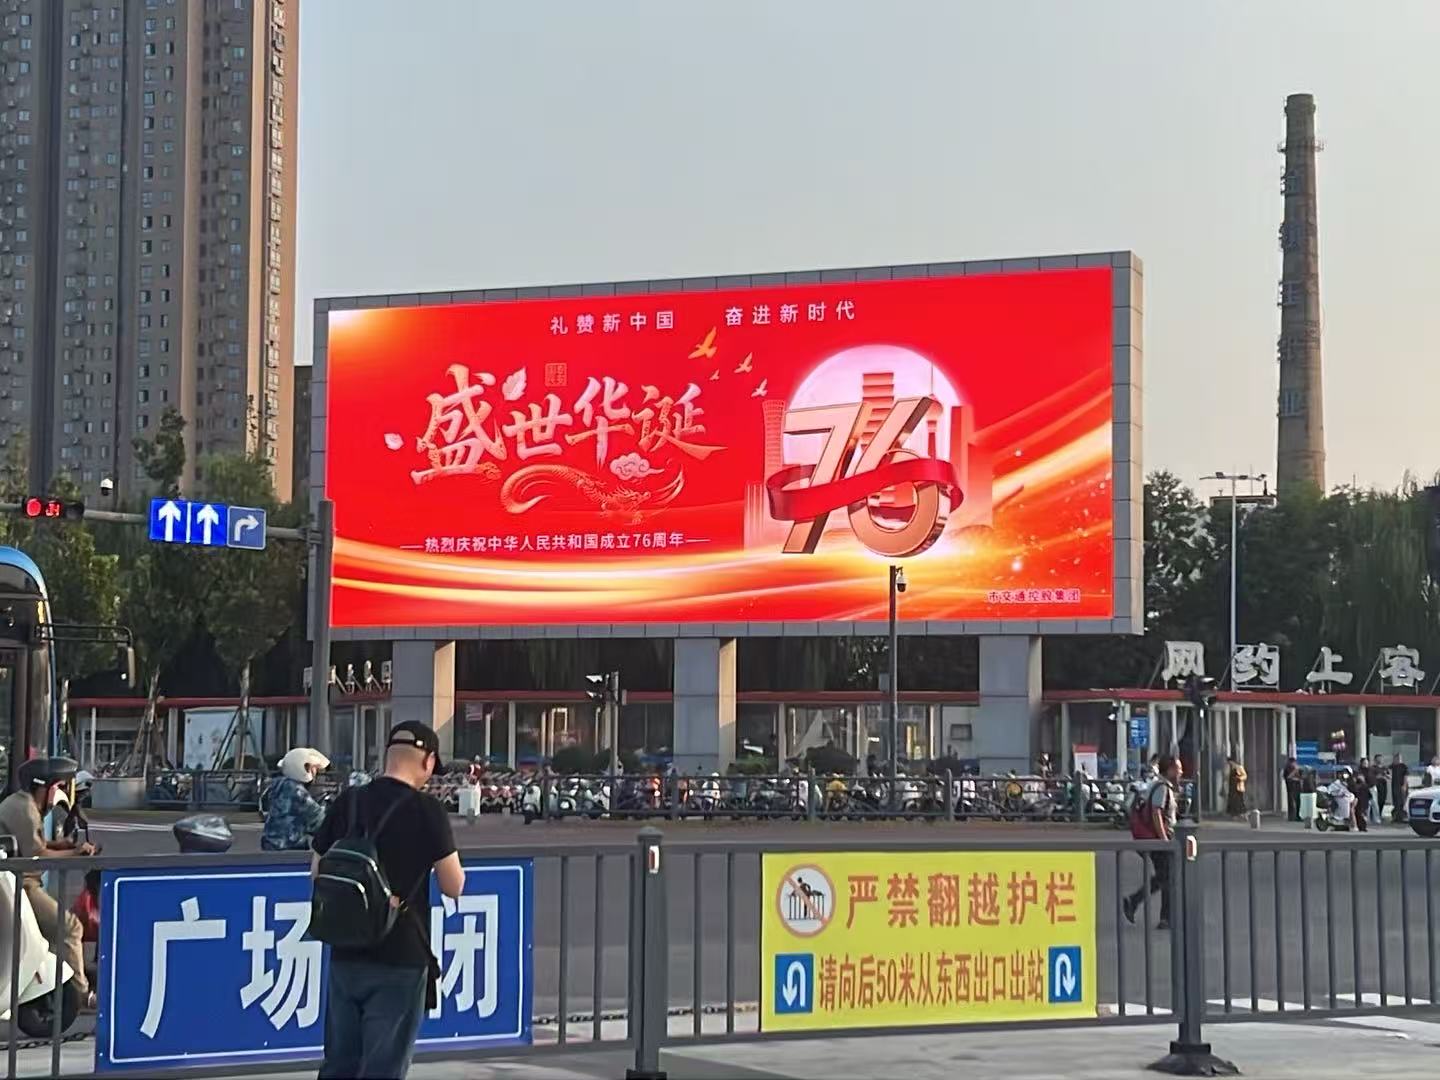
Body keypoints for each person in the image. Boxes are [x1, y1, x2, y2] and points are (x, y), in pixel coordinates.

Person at [313, 723, 463, 1079]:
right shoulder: (427, 810)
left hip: (345, 950)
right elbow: (453, 885)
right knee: (383, 1068)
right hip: (400, 954)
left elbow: (317, 871)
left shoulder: (349, 802)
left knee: (339, 1065)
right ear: (427, 761)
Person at [0, 756, 95, 1008]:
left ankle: (57, 988)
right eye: (59, 786)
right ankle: (81, 995)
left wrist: (61, 845)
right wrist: (75, 852)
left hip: (17, 881)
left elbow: (34, 844)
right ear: (44, 787)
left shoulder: (22, 803)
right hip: (19, 885)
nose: (61, 793)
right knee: (69, 927)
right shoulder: (25, 809)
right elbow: (37, 855)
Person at [1122, 755, 1181, 930]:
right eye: (1178, 768)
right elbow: (1156, 812)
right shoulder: (1161, 787)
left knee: (1165, 877)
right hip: (1157, 839)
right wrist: (1163, 840)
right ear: (1169, 770)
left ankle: (1139, 904)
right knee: (1167, 877)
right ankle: (1162, 916)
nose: (1181, 772)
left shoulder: (1159, 785)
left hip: (1156, 838)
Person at [262, 746, 330, 852]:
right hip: (290, 849)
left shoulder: (276, 785)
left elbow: (264, 807)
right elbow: (319, 823)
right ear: (304, 768)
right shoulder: (299, 793)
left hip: (269, 845)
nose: (315, 773)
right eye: (313, 768)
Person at [1348, 767, 1371, 832]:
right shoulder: (1364, 786)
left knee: (1359, 814)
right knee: (1361, 814)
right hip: (1364, 802)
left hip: (1359, 801)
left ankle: (1360, 826)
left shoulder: (1356, 786)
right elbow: (1369, 795)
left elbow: (1354, 791)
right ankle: (1362, 826)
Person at [1391, 755, 1410, 824]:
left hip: (1401, 786)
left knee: (1402, 801)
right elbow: (1387, 770)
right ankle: (1397, 817)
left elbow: (1406, 776)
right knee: (1396, 802)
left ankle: (1403, 817)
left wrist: (1404, 785)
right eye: (1395, 759)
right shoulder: (1393, 766)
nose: (1396, 760)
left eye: (1398, 759)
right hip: (1395, 786)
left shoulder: (1404, 766)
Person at [1372, 756, 1390, 823]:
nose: (1379, 760)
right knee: (1376, 801)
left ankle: (1380, 814)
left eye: (1380, 759)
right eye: (1378, 759)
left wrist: (1385, 775)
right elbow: (1371, 776)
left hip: (1383, 785)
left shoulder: (1384, 768)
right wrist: (1378, 777)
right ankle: (1375, 816)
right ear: (1375, 760)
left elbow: (1389, 776)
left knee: (1382, 800)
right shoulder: (1373, 768)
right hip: (1376, 786)